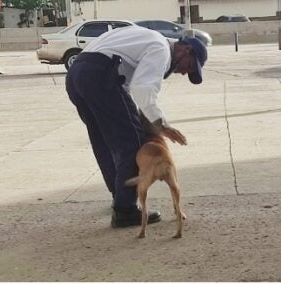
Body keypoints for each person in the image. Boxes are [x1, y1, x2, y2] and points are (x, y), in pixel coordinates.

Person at [65, 25, 206, 228]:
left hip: (77, 75)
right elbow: (144, 88)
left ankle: (119, 196)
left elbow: (131, 87)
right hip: (101, 75)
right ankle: (125, 209)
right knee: (132, 142)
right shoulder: (161, 49)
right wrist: (160, 124)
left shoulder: (146, 36)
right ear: (185, 50)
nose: (184, 72)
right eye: (190, 66)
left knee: (105, 141)